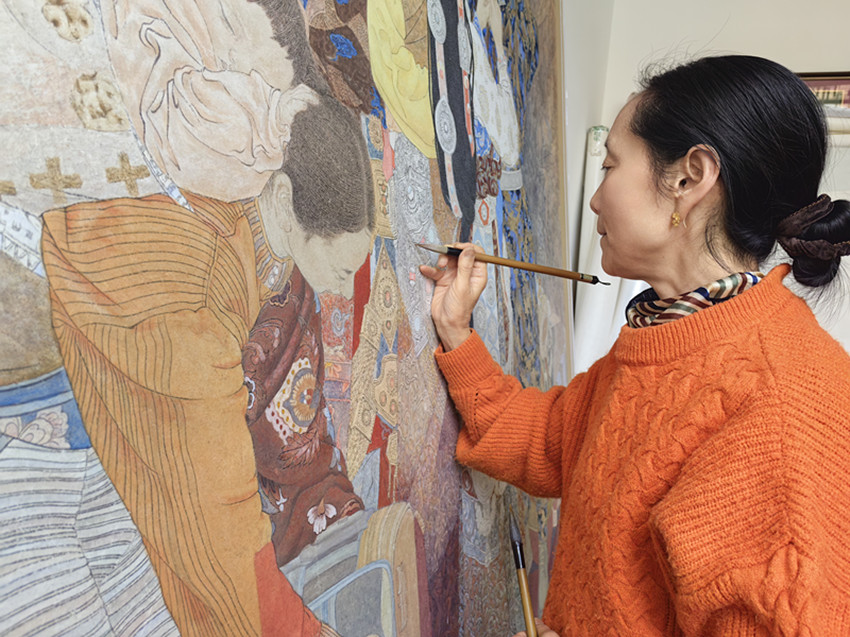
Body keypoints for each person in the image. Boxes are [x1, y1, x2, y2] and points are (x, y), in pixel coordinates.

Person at [420, 55, 850, 636]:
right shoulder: (666, 334)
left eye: (609, 166)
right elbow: (553, 442)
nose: (595, 199)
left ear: (689, 179)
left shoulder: (780, 399)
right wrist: (456, 332)